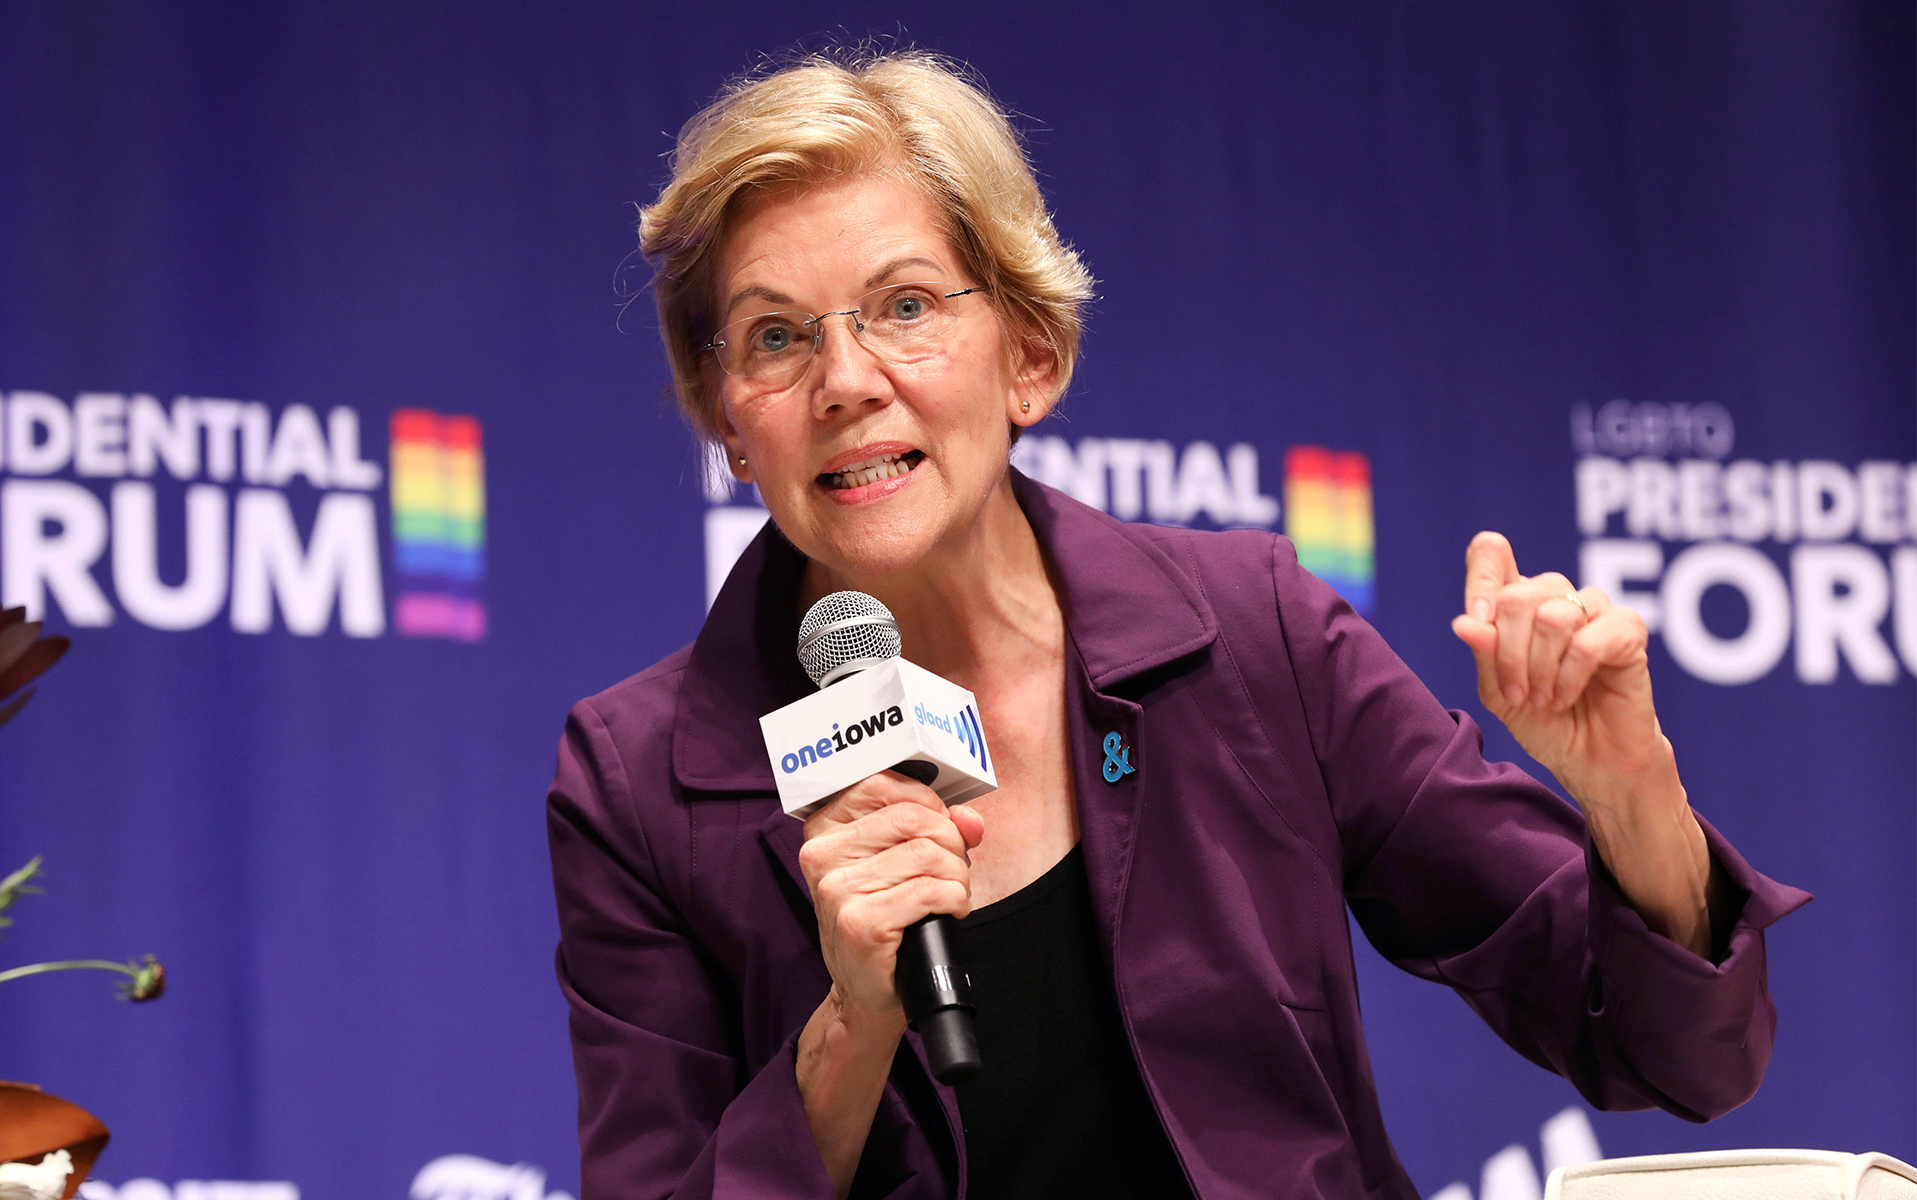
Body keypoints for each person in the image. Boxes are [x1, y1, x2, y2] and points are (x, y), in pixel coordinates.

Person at [546, 49, 1808, 1200]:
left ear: (1030, 355)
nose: (844, 380)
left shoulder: (1251, 635)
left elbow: (1679, 1055)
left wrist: (1630, 797)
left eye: (907, 305)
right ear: (728, 420)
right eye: (774, 337)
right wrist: (850, 1028)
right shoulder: (638, 783)